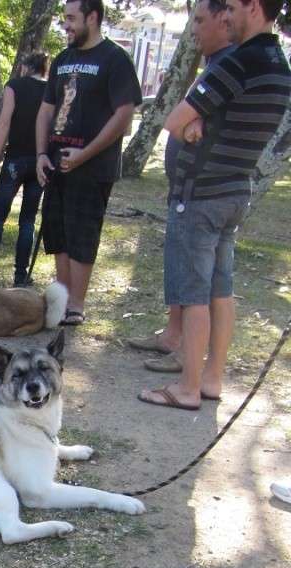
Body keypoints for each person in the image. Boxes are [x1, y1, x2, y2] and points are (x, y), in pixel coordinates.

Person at [139, 0, 291, 411]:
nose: (227, 16)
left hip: (202, 195)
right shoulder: (278, 64)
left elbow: (174, 120)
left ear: (254, 7)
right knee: (221, 291)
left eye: (234, 8)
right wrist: (200, 123)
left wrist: (192, 126)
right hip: (234, 191)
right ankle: (211, 378)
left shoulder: (238, 62)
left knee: (193, 296)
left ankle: (187, 388)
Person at [128, 0, 235, 372]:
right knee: (179, 263)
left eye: (201, 21)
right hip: (185, 188)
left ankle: (187, 354)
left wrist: (188, 124)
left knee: (200, 279)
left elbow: (184, 121)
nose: (194, 30)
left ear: (225, 20)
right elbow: (185, 123)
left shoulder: (230, 64)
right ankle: (173, 335)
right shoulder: (214, 64)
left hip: (206, 193)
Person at [35, 0, 142, 325]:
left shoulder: (114, 59)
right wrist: (41, 153)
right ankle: (63, 300)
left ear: (92, 18)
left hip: (93, 165)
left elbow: (124, 115)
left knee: (82, 233)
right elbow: (46, 110)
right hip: (57, 160)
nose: (65, 25)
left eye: (71, 18)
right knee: (59, 233)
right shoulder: (63, 59)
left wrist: (86, 154)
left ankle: (76, 305)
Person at [0, 52, 50, 286]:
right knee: (27, 221)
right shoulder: (50, 89)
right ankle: (20, 275)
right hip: (39, 160)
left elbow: (5, 122)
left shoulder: (14, 86)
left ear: (26, 67)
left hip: (15, 159)